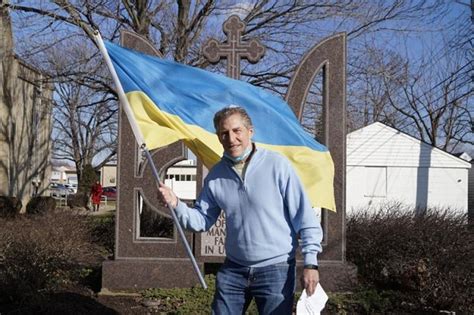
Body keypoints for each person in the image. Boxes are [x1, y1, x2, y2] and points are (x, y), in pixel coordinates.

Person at [158, 106, 322, 314]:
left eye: (237, 131)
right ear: (218, 137)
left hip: (277, 270)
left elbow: (305, 218)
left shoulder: (277, 166)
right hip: (234, 270)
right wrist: (176, 203)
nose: (231, 138)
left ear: (250, 132)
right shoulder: (216, 176)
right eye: (224, 133)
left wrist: (311, 263)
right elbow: (201, 220)